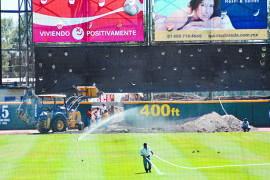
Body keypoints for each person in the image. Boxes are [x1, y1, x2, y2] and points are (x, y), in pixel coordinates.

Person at [164, 0, 234, 31]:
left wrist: (195, 24)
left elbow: (218, 22)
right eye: (203, 5)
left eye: (210, 6)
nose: (207, 11)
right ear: (196, 4)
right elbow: (168, 30)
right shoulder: (182, 15)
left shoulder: (215, 15)